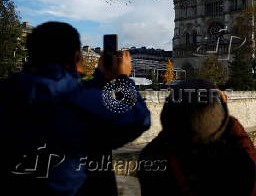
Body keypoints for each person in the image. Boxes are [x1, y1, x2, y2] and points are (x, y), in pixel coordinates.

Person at [0, 22, 151, 195]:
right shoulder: (76, 98)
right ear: (76, 57)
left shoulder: (11, 89)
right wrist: (123, 78)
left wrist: (101, 78)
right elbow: (138, 118)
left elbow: (69, 88)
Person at [137, 79, 256, 196]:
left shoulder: (150, 162)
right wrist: (223, 114)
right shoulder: (237, 176)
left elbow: (165, 136)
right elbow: (251, 166)